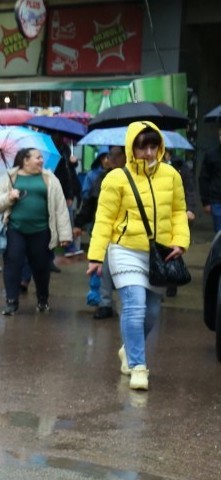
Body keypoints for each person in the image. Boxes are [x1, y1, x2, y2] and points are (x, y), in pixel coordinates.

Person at [87, 122, 190, 391]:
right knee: (135, 307)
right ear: (131, 148)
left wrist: (180, 242)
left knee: (152, 313)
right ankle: (138, 366)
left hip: (159, 253)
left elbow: (178, 212)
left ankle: (129, 349)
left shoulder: (171, 175)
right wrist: (96, 256)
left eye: (154, 146)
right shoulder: (115, 178)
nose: (149, 152)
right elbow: (104, 219)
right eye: (142, 147)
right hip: (125, 250)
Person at [0, 148, 72, 316]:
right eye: (37, 158)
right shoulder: (9, 177)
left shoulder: (50, 178)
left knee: (41, 266)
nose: (41, 160)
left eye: (41, 157)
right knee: (13, 264)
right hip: (15, 230)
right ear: (25, 160)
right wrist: (9, 197)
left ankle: (42, 299)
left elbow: (60, 207)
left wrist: (64, 234)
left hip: (41, 231)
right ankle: (11, 302)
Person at [76, 147, 125, 318]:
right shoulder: (102, 178)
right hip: (103, 229)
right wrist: (79, 223)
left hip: (127, 232)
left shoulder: (135, 178)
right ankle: (105, 303)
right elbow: (90, 202)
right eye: (109, 155)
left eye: (117, 155)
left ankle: (129, 306)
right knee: (102, 268)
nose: (110, 159)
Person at [198, 129, 221, 233]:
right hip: (217, 200)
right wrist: (206, 202)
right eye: (220, 135)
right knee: (219, 233)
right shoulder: (211, 155)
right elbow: (204, 178)